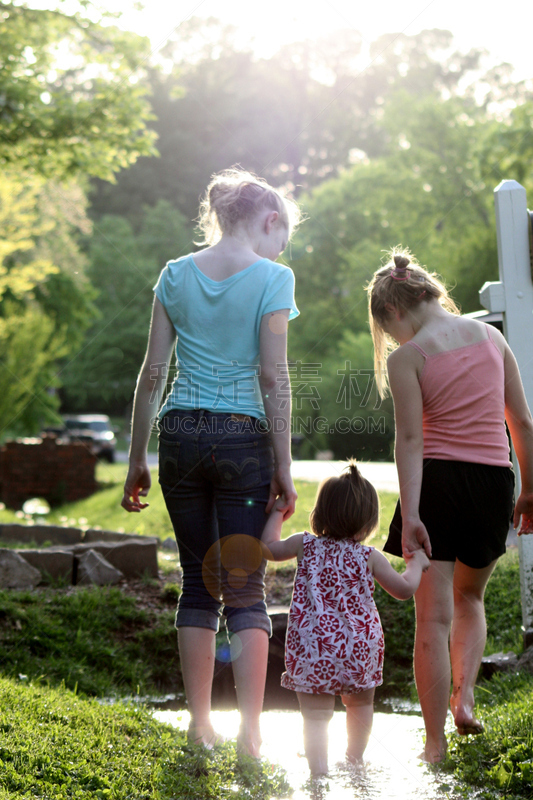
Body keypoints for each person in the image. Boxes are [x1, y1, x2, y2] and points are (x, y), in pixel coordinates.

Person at [121, 168, 302, 757]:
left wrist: (135, 458)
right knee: (247, 589)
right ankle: (251, 732)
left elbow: (152, 374)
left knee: (197, 586)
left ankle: (200, 726)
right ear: (268, 220)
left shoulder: (174, 274)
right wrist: (284, 462)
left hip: (179, 434)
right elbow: (273, 376)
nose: (283, 249)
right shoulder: (274, 278)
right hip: (243, 438)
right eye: (284, 235)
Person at [366, 249, 533, 764]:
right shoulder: (492, 338)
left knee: (431, 620)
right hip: (492, 481)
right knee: (471, 600)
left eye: (387, 330)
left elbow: (411, 442)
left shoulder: (407, 358)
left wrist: (412, 514)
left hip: (437, 482)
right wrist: (529, 490)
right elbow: (521, 424)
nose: (391, 340)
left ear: (392, 311)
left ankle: (434, 743)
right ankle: (466, 696)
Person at [261, 461, 430, 776]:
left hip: (313, 646)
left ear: (320, 512)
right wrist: (417, 564)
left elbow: (268, 549)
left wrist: (278, 513)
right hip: (358, 645)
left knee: (314, 716)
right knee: (361, 706)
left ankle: (319, 774)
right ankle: (354, 763)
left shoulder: (304, 544)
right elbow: (405, 590)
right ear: (369, 520)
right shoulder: (369, 556)